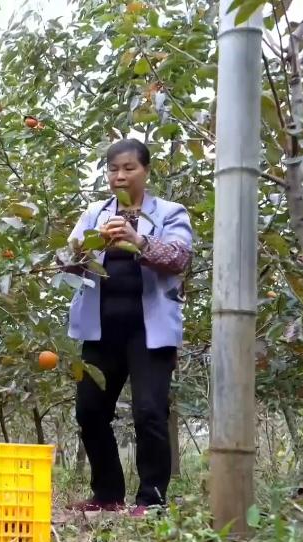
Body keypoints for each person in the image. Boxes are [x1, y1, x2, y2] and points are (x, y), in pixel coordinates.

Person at [62, 139, 193, 517]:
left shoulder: (169, 212)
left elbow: (179, 257)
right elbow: (65, 261)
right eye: (113, 169)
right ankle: (107, 494)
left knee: (149, 412)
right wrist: (88, 246)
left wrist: (138, 240)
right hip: (100, 329)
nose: (119, 176)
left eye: (129, 168)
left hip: (150, 332)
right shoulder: (95, 213)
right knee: (89, 411)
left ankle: (152, 499)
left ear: (146, 171)